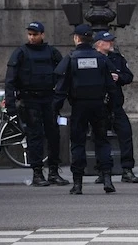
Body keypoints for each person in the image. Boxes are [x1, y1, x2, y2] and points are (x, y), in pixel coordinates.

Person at [52, 24, 117, 195]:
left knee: (78, 143)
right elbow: (111, 86)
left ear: (76, 38)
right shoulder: (101, 59)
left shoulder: (71, 58)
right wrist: (112, 107)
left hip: (79, 106)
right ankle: (107, 178)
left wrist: (55, 109)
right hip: (98, 105)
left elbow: (61, 88)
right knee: (102, 141)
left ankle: (78, 183)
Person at [4, 21, 69, 187]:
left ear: (42, 35)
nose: (32, 37)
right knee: (35, 137)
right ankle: (37, 173)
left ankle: (53, 172)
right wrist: (10, 107)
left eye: (35, 34)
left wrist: (59, 98)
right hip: (29, 100)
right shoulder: (20, 53)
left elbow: (63, 75)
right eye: (30, 34)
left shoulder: (51, 52)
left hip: (48, 100)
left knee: (54, 136)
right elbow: (10, 81)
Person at [92, 30, 138, 184]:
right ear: (99, 43)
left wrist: (118, 77)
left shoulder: (117, 58)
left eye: (111, 41)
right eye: (108, 41)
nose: (111, 43)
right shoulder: (92, 58)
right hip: (99, 105)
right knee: (99, 138)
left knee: (126, 135)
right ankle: (103, 171)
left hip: (116, 105)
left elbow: (129, 76)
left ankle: (127, 170)